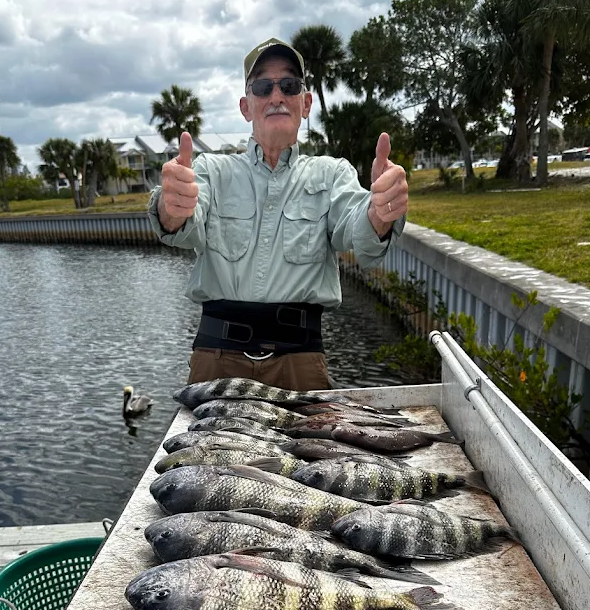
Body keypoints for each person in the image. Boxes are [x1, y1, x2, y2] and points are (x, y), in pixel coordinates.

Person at [148, 36, 409, 390]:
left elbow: (358, 230)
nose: (276, 97)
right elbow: (182, 226)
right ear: (246, 107)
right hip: (216, 357)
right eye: (262, 87)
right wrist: (171, 206)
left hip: (300, 360)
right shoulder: (211, 170)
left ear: (305, 103)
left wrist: (381, 211)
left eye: (289, 85)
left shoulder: (332, 174)